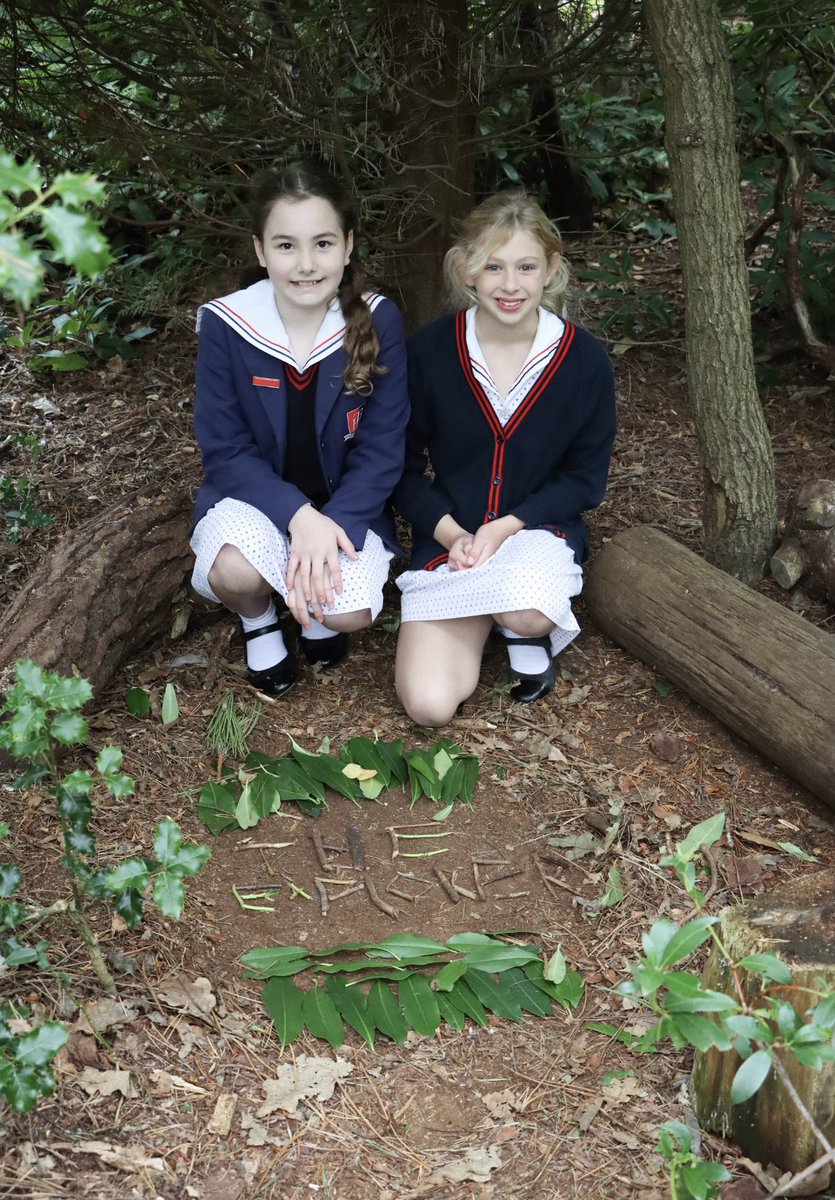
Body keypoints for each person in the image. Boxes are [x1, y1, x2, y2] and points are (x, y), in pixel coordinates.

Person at [393, 189, 616, 726]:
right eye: (492, 267)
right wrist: (453, 536)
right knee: (428, 706)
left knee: (526, 611)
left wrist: (504, 529)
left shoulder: (584, 360)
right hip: (455, 539)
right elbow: (398, 468)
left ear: (552, 269)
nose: (510, 285)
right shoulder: (428, 351)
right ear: (465, 269)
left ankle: (515, 623)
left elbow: (585, 480)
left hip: (535, 532)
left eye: (526, 266)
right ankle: (485, 610)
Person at [190, 165, 409, 696]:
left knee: (351, 613)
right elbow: (225, 449)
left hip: (344, 503)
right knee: (237, 573)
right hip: (256, 500)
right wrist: (298, 518)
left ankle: (312, 607)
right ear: (261, 251)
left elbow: (383, 448)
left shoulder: (377, 319)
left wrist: (328, 523)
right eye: (286, 246)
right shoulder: (228, 323)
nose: (307, 264)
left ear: (348, 245)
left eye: (323, 243)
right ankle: (259, 618)